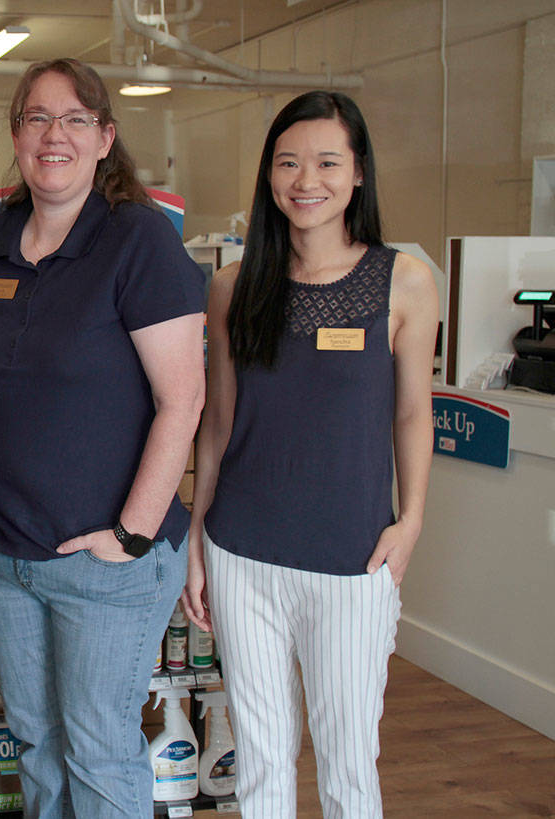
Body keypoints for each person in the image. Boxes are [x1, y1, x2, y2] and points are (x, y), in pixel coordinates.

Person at [0, 58, 207, 817]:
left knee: (97, 746)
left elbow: (182, 398)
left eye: (74, 120)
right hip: (7, 553)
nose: (52, 135)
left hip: (108, 564)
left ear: (104, 139)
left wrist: (130, 534)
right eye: (36, 118)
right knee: (35, 740)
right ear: (16, 134)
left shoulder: (137, 241)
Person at [183, 91, 438, 818]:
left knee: (349, 758)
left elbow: (414, 412)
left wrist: (411, 519)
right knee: (260, 760)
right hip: (243, 551)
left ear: (358, 174)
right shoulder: (233, 286)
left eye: (328, 161)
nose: (306, 180)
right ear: (269, 175)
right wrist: (199, 539)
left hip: (353, 557)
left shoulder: (406, 281)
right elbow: (218, 422)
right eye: (288, 162)